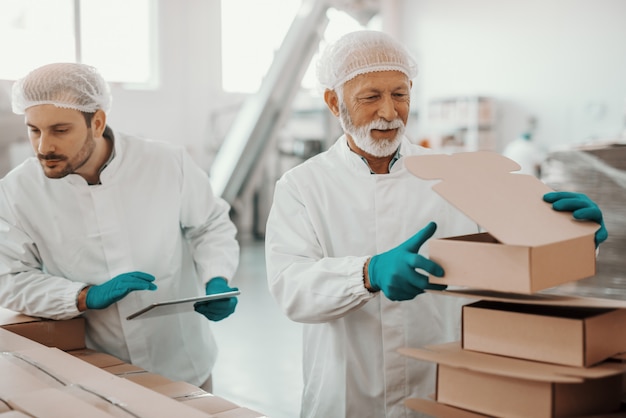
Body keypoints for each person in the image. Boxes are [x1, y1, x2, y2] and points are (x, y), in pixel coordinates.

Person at [264, 30, 607, 418]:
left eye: (400, 94)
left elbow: (520, 261)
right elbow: (290, 286)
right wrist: (366, 273)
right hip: (347, 396)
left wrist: (576, 236)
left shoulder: (454, 175)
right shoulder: (303, 186)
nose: (390, 113)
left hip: (441, 387)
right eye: (371, 96)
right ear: (333, 101)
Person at [0, 62, 240, 391]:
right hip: (97, 369)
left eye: (60, 130)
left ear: (97, 122)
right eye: (34, 130)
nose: (43, 147)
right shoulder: (18, 191)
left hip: (184, 362)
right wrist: (83, 296)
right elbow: (8, 278)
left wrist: (217, 278)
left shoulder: (166, 163)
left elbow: (210, 225)